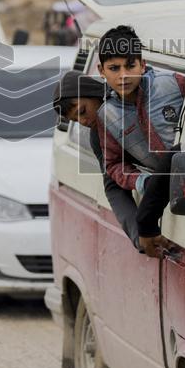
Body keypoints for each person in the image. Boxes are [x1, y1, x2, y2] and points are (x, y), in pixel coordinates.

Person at [95, 25, 185, 255]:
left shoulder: (174, 84)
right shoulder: (107, 116)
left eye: (130, 65)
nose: (123, 75)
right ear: (101, 71)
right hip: (162, 197)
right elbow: (114, 165)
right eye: (114, 68)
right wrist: (143, 182)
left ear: (143, 64)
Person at [52, 70, 143, 250]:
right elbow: (113, 184)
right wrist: (140, 234)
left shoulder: (137, 95)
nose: (83, 121)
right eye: (76, 120)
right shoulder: (99, 137)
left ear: (94, 93)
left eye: (82, 111)